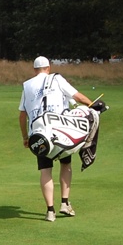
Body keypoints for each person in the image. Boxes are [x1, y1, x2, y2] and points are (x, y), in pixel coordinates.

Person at [18, 56, 94, 222]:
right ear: (48, 68)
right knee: (66, 165)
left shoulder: (27, 85)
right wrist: (93, 106)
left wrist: (25, 137)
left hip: (39, 134)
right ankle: (65, 203)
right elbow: (77, 96)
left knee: (45, 170)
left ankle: (50, 211)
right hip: (60, 132)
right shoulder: (57, 79)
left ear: (34, 69)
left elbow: (22, 115)